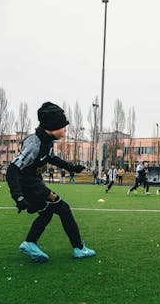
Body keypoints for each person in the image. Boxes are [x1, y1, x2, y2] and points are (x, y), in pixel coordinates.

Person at [6, 102, 94, 263]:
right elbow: (12, 170)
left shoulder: (46, 141)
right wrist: (18, 197)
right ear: (52, 126)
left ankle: (30, 243)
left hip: (34, 184)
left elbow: (51, 158)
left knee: (47, 213)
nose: (65, 130)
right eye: (63, 126)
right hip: (30, 186)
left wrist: (71, 167)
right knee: (64, 208)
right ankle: (79, 248)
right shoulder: (35, 143)